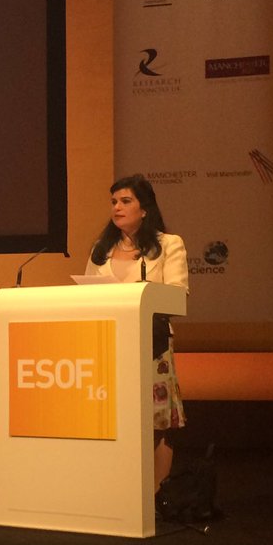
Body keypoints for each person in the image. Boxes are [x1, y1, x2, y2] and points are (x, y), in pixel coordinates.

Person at [84, 174, 188, 492]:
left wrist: (140, 296)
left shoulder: (168, 244)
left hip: (151, 345)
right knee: (116, 420)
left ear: (144, 209)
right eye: (114, 201)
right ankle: (120, 491)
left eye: (125, 201)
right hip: (108, 344)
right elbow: (84, 296)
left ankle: (157, 494)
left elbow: (178, 295)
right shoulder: (101, 250)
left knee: (157, 421)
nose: (117, 207)